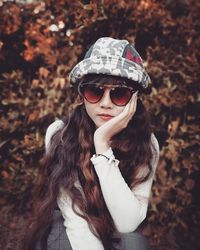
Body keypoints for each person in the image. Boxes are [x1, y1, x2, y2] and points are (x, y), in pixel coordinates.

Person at [23, 37, 159, 250]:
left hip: (115, 226)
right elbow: (75, 220)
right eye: (95, 91)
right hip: (71, 226)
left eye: (119, 94)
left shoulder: (147, 143)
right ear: (81, 95)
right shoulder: (59, 134)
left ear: (135, 100)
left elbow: (127, 223)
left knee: (134, 243)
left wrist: (102, 143)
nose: (105, 103)